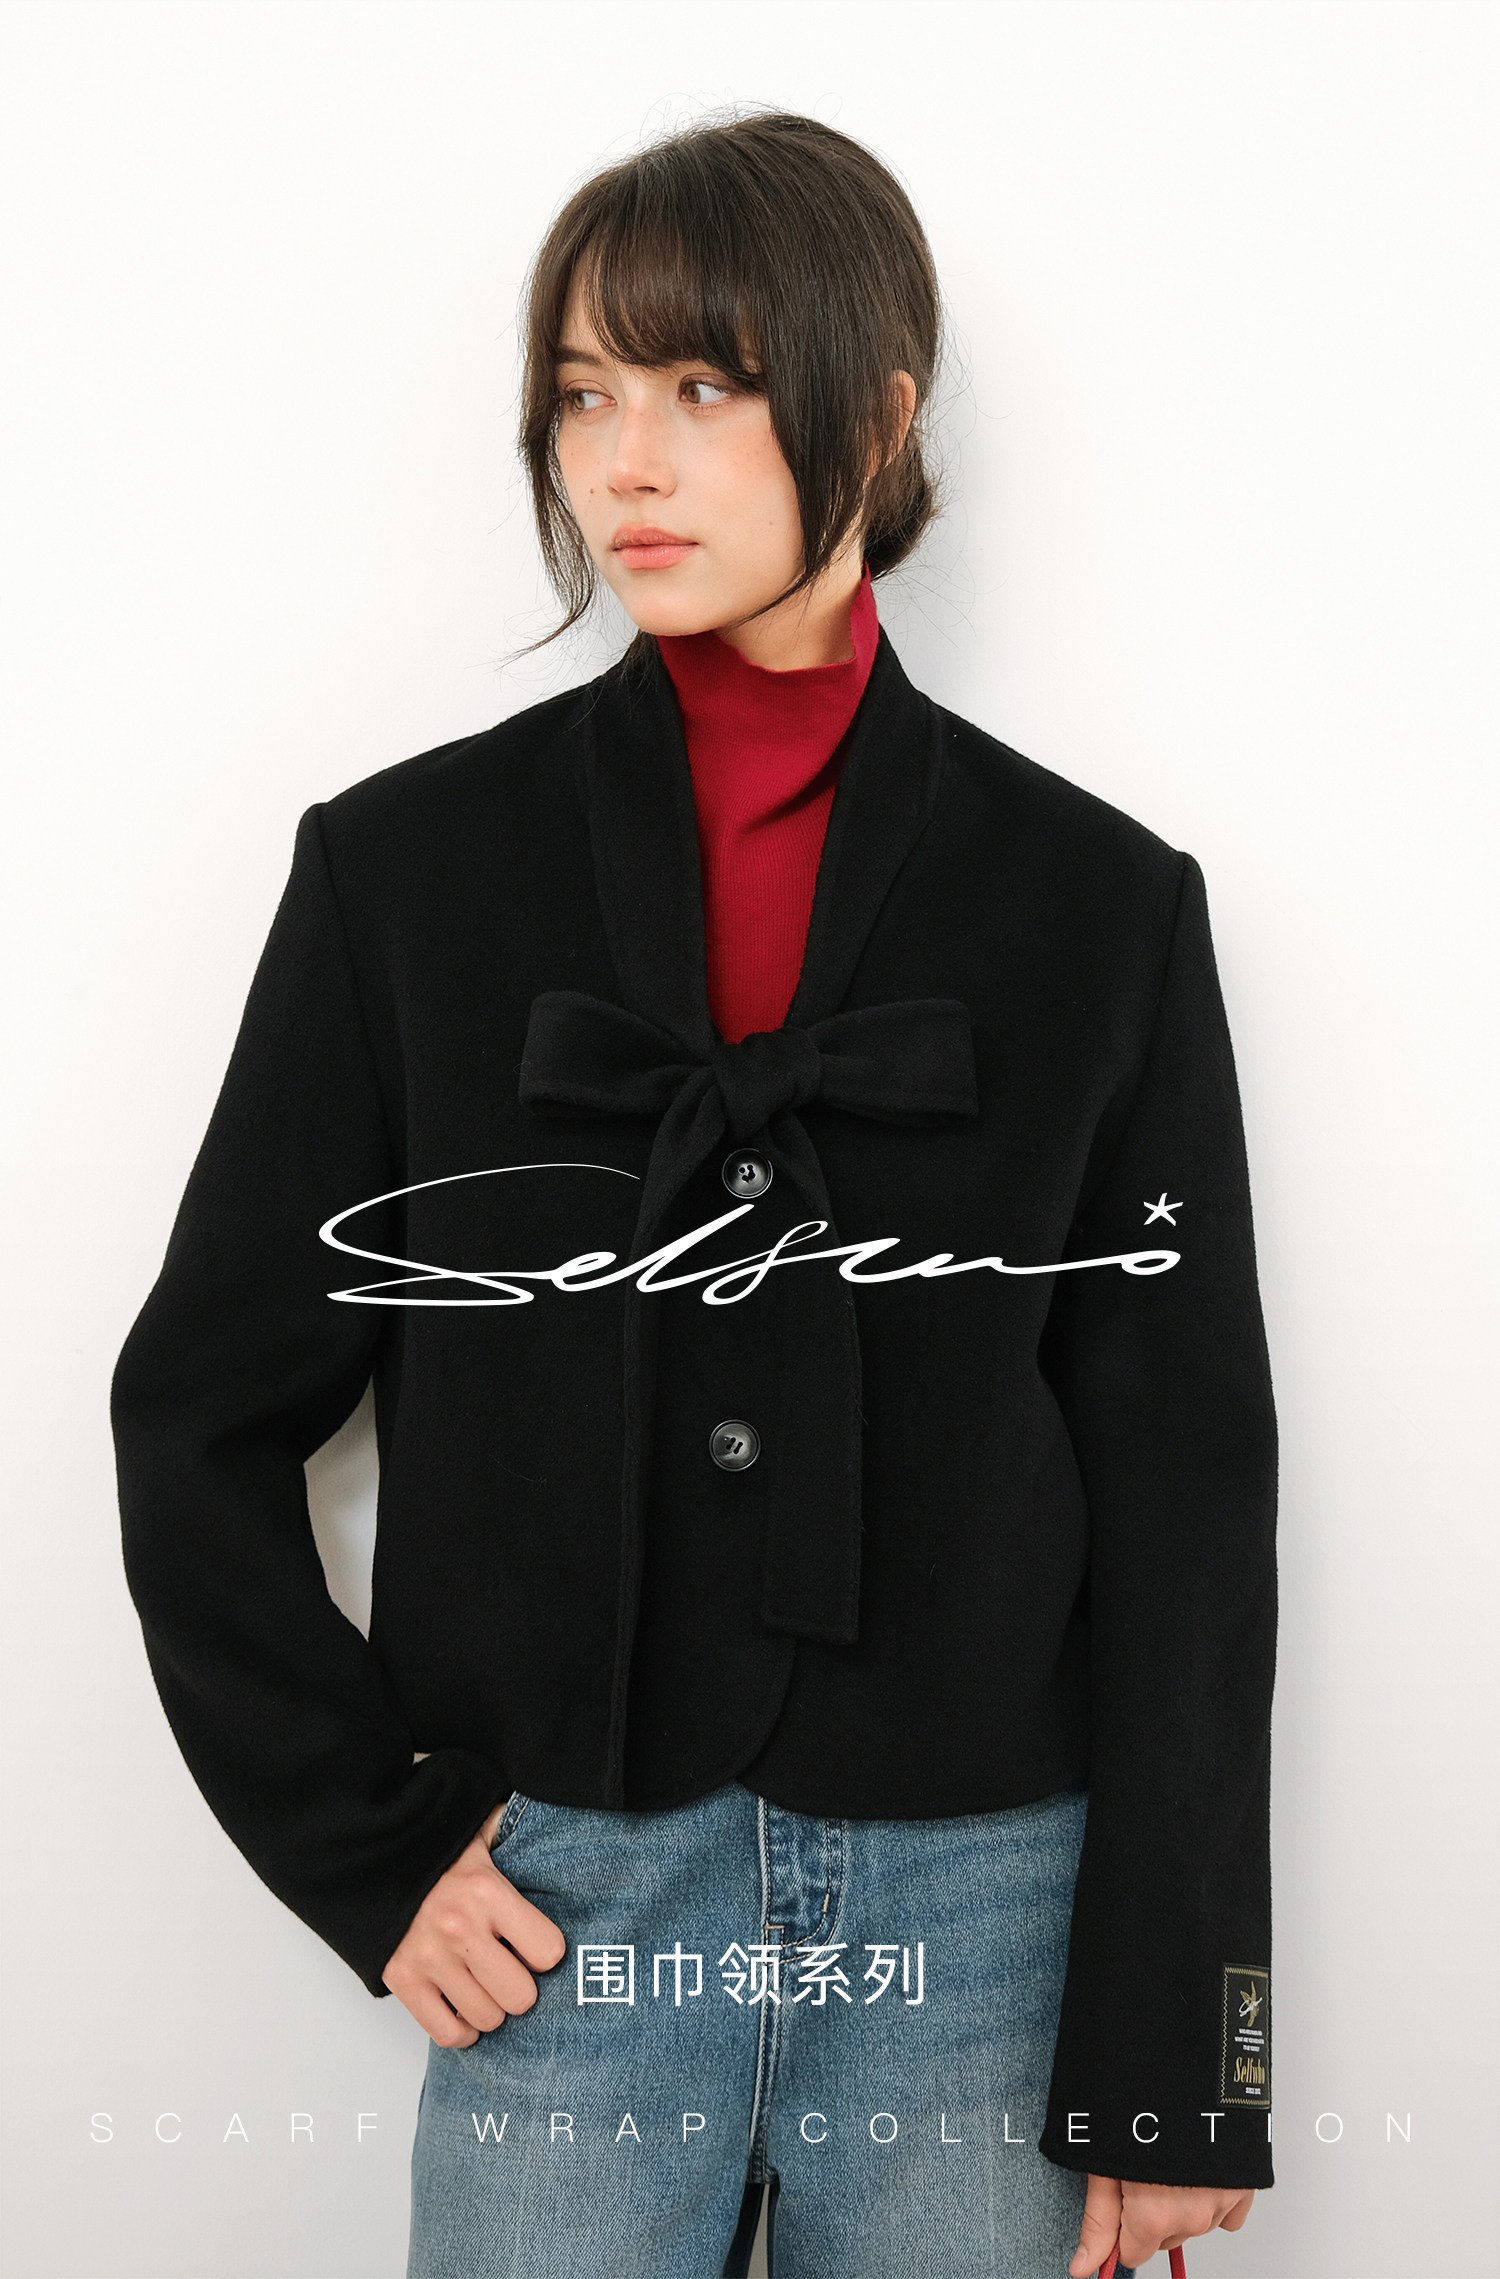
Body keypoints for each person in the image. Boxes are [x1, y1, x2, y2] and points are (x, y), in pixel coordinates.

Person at [112, 112, 1276, 2278]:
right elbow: (196, 1413)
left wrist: (1176, 2061)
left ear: (880, 416)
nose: (625, 461)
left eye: (704, 386)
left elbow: (1190, 1497)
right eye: (582, 394)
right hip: (561, 1898)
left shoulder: (1100, 909)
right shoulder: (405, 881)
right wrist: (368, 1851)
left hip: (987, 1915)